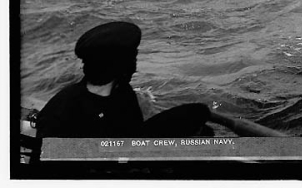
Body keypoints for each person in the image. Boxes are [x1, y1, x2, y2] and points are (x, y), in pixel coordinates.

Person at [34, 21, 212, 149]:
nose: (135, 67)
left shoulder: (123, 94)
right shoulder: (63, 110)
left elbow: (132, 136)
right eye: (132, 60)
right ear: (118, 66)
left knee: (197, 115)